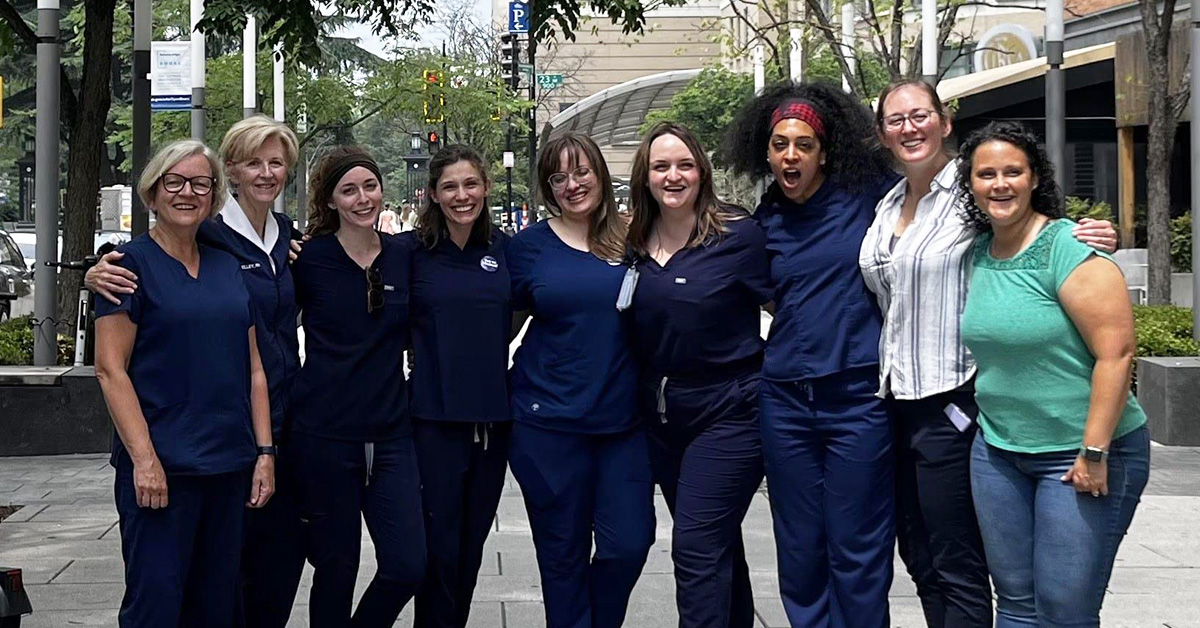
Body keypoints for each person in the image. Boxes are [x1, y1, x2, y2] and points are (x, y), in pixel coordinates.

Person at [860, 81, 1119, 628]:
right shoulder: (886, 202)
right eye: (895, 119)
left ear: (945, 121)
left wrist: (1084, 235)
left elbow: (1033, 230)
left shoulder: (975, 188)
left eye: (920, 115)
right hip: (896, 399)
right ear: (881, 132)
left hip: (954, 399)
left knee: (959, 561)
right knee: (921, 555)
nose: (909, 128)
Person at [87, 115, 306, 628]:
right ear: (152, 193)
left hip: (229, 462)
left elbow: (253, 364)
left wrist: (264, 452)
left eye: (199, 184)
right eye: (175, 182)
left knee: (217, 604)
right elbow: (109, 370)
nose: (188, 193)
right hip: (163, 463)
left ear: (212, 193)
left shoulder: (229, 262)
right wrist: (144, 461)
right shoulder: (128, 268)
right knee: (157, 602)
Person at [957, 121, 1149, 628]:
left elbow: (1118, 353)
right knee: (1017, 603)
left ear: (1035, 177)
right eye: (987, 174)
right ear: (971, 184)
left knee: (1065, 608)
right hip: (998, 451)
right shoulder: (979, 252)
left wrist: (1094, 450)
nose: (1000, 184)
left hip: (1080, 454)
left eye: (1013, 172)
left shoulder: (1068, 246)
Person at [723, 81, 898, 628]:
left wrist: (1059, 228)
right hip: (786, 401)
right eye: (779, 145)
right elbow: (769, 293)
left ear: (825, 151)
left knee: (857, 545)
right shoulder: (765, 219)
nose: (790, 155)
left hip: (859, 398)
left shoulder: (871, 196)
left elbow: (951, 209)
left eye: (803, 144)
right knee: (798, 546)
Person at [506, 131, 655, 628]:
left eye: (581, 171)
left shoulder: (635, 240)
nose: (573, 184)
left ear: (599, 172)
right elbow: (496, 325)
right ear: (548, 188)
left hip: (622, 426)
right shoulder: (527, 249)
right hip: (546, 427)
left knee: (628, 544)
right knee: (562, 558)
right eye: (559, 177)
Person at [626, 121, 771, 628]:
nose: (673, 175)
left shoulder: (738, 235)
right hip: (662, 420)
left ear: (702, 172)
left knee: (694, 546)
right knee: (716, 542)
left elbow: (789, 308)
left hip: (730, 411)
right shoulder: (631, 242)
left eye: (684, 164)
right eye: (661, 166)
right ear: (644, 176)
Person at [291, 146, 425, 627]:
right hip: (324, 435)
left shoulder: (405, 255)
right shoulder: (307, 259)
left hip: (392, 434)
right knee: (335, 567)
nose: (362, 198)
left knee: (408, 565)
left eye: (370, 186)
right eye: (348, 190)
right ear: (330, 201)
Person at [401, 144, 512, 628]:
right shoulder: (411, 252)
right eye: (450, 186)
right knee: (438, 548)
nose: (462, 195)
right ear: (433, 194)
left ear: (486, 188)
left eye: (471, 184)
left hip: (492, 422)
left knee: (471, 547)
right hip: (433, 420)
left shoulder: (506, 250)